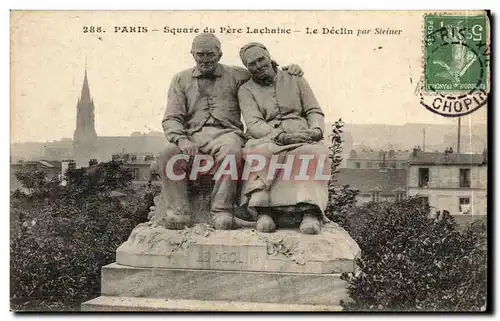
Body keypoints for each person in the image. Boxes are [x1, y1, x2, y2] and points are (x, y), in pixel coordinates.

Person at [157, 33, 303, 230]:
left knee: (232, 151)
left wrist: (287, 69)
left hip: (227, 133)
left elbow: (262, 71)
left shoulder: (237, 75)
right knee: (168, 154)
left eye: (210, 54)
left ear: (220, 54)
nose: (205, 59)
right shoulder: (180, 80)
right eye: (200, 55)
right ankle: (178, 212)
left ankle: (221, 210)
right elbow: (172, 117)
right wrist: (181, 139)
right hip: (192, 136)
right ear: (192, 54)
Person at [238, 42, 331, 235]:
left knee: (312, 153)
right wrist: (280, 136)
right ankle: (264, 212)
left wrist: (315, 131)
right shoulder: (246, 90)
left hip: (302, 134)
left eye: (261, 59)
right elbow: (254, 123)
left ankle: (309, 213)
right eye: (251, 64)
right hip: (268, 136)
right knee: (260, 153)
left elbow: (313, 110)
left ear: (269, 56)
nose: (258, 65)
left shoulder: (295, 78)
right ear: (247, 68)